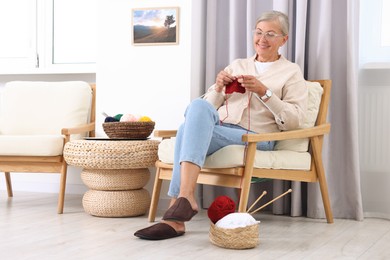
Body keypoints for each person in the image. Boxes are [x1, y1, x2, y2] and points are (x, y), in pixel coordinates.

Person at [134, 10, 308, 240]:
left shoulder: (291, 72)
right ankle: (183, 203)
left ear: (283, 40)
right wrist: (218, 89)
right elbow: (201, 111)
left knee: (186, 130)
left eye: (270, 34)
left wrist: (265, 93)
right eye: (258, 32)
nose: (262, 39)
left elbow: (294, 120)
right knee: (197, 108)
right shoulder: (238, 65)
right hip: (224, 129)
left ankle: (177, 211)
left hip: (258, 138)